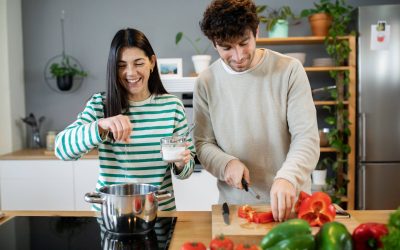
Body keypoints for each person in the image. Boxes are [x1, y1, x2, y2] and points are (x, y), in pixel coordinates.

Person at [193, 0, 319, 222]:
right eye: (226, 47)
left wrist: (288, 177)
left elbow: (306, 137)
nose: (238, 56)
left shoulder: (289, 70)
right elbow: (203, 143)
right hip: (235, 209)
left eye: (244, 43)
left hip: (293, 203)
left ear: (256, 32)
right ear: (214, 43)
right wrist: (226, 163)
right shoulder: (206, 82)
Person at [55, 28, 195, 211]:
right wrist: (100, 126)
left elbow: (186, 170)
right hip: (111, 213)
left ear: (152, 63)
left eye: (138, 63)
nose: (131, 73)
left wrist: (181, 162)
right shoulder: (100, 105)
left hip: (158, 214)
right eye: (121, 65)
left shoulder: (172, 107)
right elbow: (62, 149)